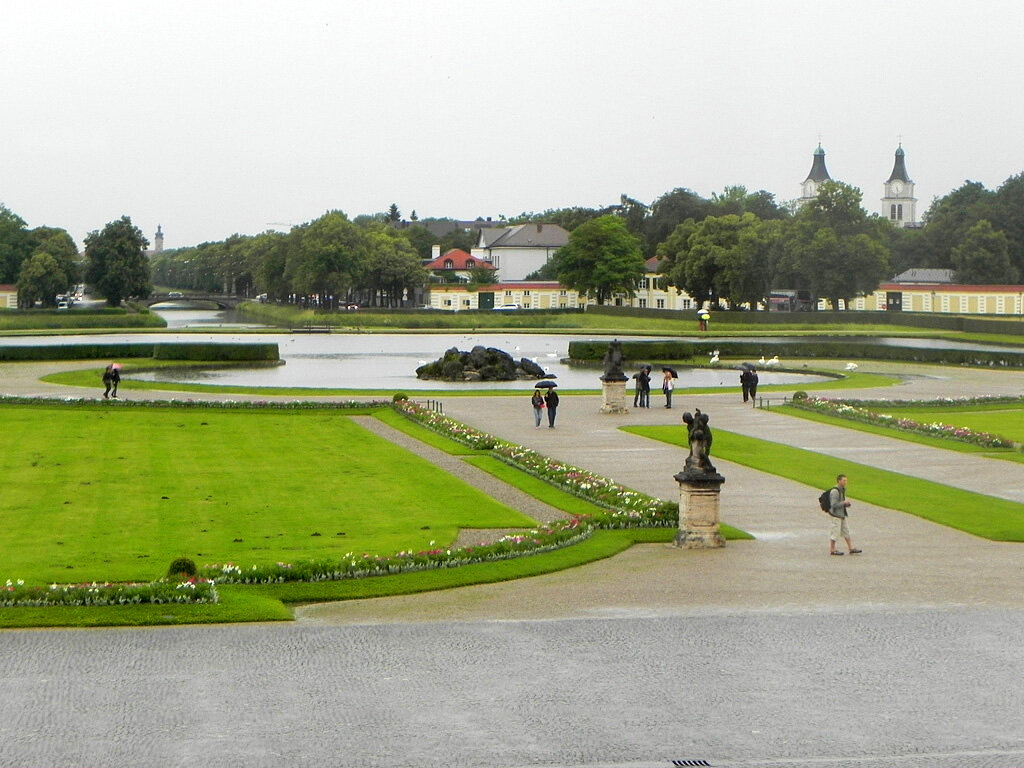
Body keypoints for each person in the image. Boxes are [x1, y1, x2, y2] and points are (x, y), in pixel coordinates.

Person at [827, 474, 861, 556]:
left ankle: (851, 548)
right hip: (836, 516)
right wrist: (844, 503)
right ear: (839, 481)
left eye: (846, 480)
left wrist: (846, 505)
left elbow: (840, 504)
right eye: (844, 480)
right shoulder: (835, 491)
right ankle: (832, 549)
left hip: (842, 515)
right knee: (835, 533)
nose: (845, 482)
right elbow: (833, 505)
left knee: (846, 532)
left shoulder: (842, 490)